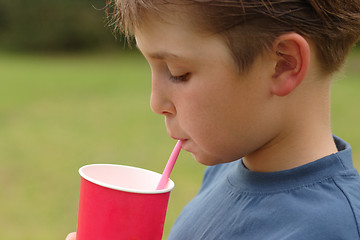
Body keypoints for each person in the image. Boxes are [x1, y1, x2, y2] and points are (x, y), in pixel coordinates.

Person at [66, 0, 360, 239]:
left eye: (178, 73)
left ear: (283, 64)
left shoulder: (332, 228)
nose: (156, 103)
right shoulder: (223, 173)